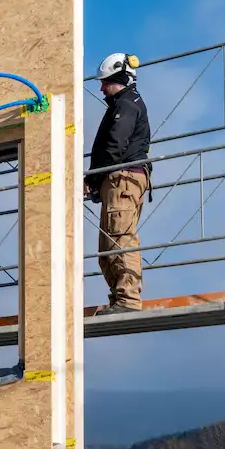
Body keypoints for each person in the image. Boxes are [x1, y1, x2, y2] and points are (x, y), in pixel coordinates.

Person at [87, 52, 151, 314]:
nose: (102, 88)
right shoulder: (123, 104)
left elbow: (114, 146)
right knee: (108, 243)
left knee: (120, 238)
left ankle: (128, 300)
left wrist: (92, 179)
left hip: (122, 178)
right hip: (116, 180)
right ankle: (119, 298)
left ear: (121, 79)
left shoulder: (125, 105)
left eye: (106, 82)